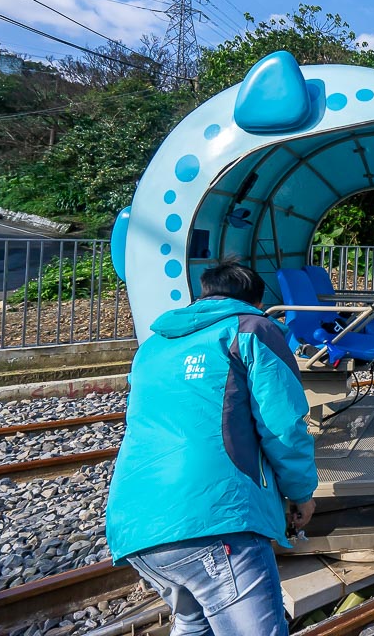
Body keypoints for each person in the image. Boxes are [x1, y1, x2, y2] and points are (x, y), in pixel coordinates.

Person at [106, 260, 318, 636]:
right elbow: (282, 425)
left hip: (134, 525)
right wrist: (301, 493)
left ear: (204, 294)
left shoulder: (153, 345)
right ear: (255, 301)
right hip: (214, 519)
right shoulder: (252, 328)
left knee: (193, 623)